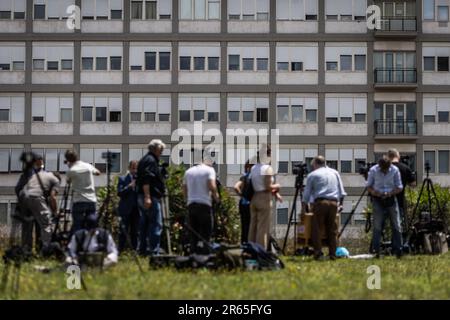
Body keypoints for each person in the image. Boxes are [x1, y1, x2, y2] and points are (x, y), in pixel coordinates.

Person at [302, 156, 347, 261]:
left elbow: (307, 193)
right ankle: (333, 254)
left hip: (320, 203)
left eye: (313, 165)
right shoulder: (335, 173)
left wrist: (304, 207)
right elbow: (342, 191)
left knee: (317, 228)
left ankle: (318, 253)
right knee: (332, 229)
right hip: (333, 203)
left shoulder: (312, 175)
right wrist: (340, 205)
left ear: (316, 164)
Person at [15, 152, 60, 253]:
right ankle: (41, 250)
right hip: (40, 203)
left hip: (26, 204)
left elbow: (18, 188)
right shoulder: (47, 174)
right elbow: (50, 195)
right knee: (42, 227)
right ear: (42, 162)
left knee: (27, 229)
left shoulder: (27, 174)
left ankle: (27, 252)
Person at [366, 155, 403, 258]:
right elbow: (368, 186)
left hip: (391, 199)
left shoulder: (395, 170)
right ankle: (376, 250)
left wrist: (390, 193)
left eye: (386, 169)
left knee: (396, 225)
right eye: (383, 169)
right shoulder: (373, 170)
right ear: (380, 166)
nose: (385, 171)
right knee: (377, 226)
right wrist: (375, 193)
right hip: (378, 200)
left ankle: (398, 249)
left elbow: (399, 187)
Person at [183, 154, 220, 254]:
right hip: (204, 205)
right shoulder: (209, 170)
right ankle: (204, 255)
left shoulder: (188, 172)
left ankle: (193, 254)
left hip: (191, 205)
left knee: (193, 233)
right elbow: (212, 185)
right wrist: (216, 198)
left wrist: (187, 200)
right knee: (205, 232)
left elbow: (184, 189)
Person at [136, 139, 166, 256]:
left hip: (143, 195)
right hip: (149, 196)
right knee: (155, 224)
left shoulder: (146, 159)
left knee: (145, 223)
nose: (162, 152)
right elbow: (146, 178)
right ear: (156, 149)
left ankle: (143, 250)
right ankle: (154, 251)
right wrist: (147, 196)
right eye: (161, 149)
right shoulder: (151, 160)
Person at [249, 146, 281, 250]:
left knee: (253, 226)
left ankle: (251, 247)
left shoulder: (253, 168)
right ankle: (261, 250)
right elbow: (268, 186)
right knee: (263, 227)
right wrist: (277, 186)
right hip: (264, 197)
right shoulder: (267, 168)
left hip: (254, 197)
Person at [387, 149, 416, 231]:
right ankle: (398, 242)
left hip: (383, 202)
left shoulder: (383, 167)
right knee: (398, 226)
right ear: (398, 156)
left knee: (383, 226)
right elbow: (413, 184)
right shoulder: (405, 168)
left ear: (388, 157)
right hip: (399, 202)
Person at [117, 160, 139, 252]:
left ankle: (135, 250)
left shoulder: (140, 180)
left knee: (135, 232)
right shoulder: (122, 179)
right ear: (129, 168)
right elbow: (119, 192)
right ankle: (120, 251)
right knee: (123, 231)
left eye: (136, 168)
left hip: (136, 210)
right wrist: (129, 186)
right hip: (125, 210)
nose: (135, 170)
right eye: (133, 168)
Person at [234, 161, 253, 244]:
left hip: (242, 203)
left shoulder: (243, 177)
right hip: (250, 204)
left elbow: (236, 187)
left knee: (244, 225)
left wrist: (242, 195)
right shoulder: (251, 177)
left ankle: (244, 243)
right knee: (251, 226)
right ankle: (250, 244)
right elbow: (236, 187)